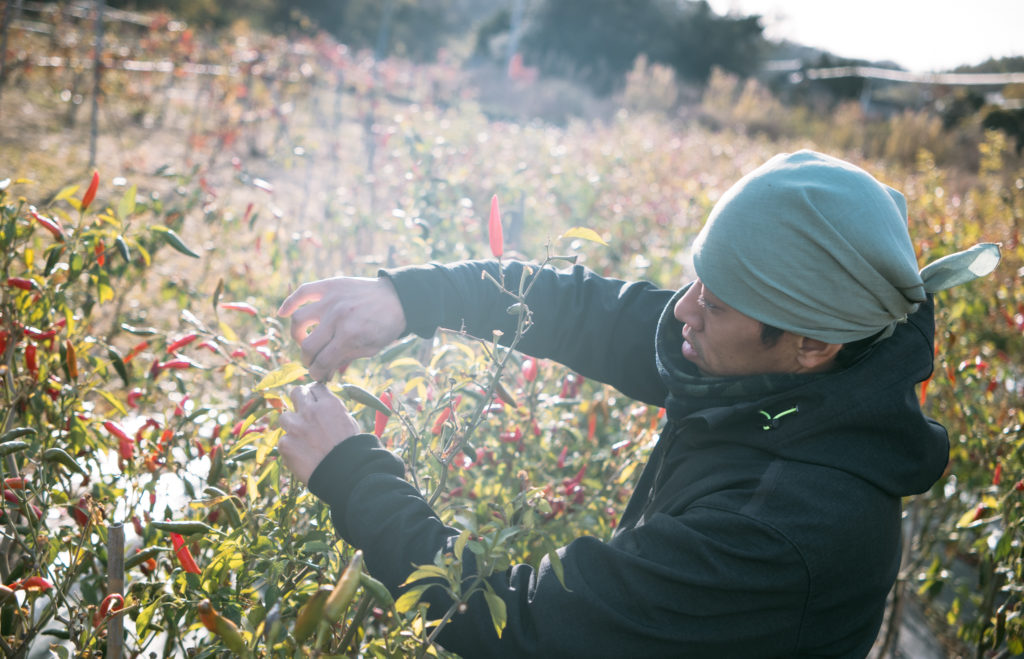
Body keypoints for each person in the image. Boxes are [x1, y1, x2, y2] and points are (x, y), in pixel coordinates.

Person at [276, 150, 998, 658]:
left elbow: (519, 624)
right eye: (697, 280)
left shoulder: (780, 533)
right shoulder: (788, 373)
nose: (682, 309)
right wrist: (407, 297)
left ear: (809, 343)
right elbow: (582, 308)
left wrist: (349, 471)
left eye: (713, 301)